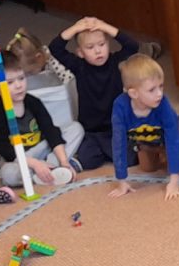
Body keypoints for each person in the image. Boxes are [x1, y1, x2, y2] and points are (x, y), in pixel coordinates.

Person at [0, 53, 83, 192]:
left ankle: (51, 167)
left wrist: (65, 162)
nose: (19, 85)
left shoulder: (33, 102)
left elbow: (50, 131)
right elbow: (5, 149)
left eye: (21, 78)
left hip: (42, 148)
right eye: (10, 82)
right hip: (19, 158)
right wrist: (35, 164)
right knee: (9, 174)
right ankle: (42, 172)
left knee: (76, 128)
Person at [51, 15, 140, 171]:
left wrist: (104, 26)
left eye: (102, 44)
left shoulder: (115, 62)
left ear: (108, 44)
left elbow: (132, 46)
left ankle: (109, 150)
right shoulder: (79, 66)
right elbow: (55, 48)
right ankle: (104, 151)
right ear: (80, 52)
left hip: (115, 127)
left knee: (130, 159)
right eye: (90, 47)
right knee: (87, 160)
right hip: (90, 130)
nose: (98, 51)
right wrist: (75, 28)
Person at [109, 55, 179, 200]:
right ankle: (157, 153)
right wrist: (122, 181)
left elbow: (173, 141)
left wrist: (174, 181)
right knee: (147, 168)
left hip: (169, 137)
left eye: (161, 86)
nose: (159, 94)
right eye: (152, 90)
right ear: (134, 93)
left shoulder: (163, 105)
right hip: (146, 141)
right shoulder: (120, 107)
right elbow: (118, 143)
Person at [6, 29, 78, 133]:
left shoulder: (53, 61)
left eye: (29, 72)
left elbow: (69, 82)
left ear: (39, 58)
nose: (28, 76)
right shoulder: (21, 61)